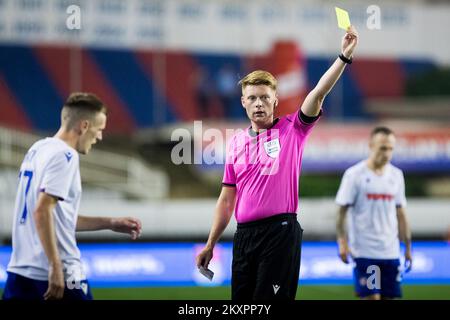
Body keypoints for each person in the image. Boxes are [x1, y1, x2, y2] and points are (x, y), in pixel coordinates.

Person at [196, 26, 359, 300]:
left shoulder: (293, 128)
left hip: (279, 234)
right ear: (243, 102)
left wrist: (343, 57)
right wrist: (211, 243)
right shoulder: (235, 143)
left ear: (275, 100)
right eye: (252, 98)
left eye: (264, 97)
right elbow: (226, 200)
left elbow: (319, 92)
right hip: (244, 237)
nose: (258, 103)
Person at [2, 93, 142, 300]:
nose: (100, 137)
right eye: (99, 129)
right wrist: (55, 266)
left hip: (20, 271)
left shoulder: (37, 150)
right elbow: (42, 211)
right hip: (60, 271)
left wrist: (111, 222)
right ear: (84, 126)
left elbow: (56, 219)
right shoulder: (65, 155)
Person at [335, 126, 413, 300]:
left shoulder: (396, 175)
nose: (387, 153)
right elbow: (341, 211)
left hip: (391, 252)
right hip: (365, 252)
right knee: (372, 298)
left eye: (391, 149)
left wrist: (408, 248)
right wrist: (342, 242)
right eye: (383, 148)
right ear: (371, 145)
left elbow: (401, 213)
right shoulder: (354, 175)